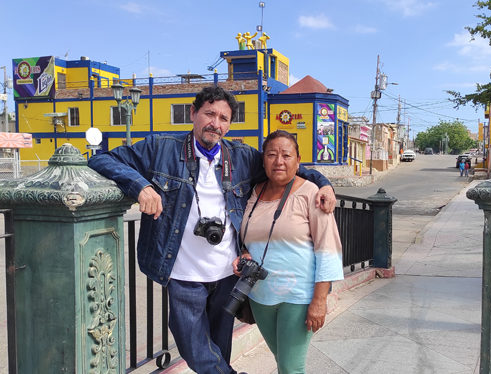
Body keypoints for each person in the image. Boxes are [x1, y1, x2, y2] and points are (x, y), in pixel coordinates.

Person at [87, 87, 336, 374]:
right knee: (194, 348)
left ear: (229, 124)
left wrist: (322, 181)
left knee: (219, 349)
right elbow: (101, 159)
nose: (215, 123)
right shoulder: (161, 148)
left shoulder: (241, 157)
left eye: (223, 118)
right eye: (209, 114)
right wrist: (140, 186)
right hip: (183, 273)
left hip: (228, 274)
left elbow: (284, 165)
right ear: (193, 113)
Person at [233, 130, 344, 374]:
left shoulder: (312, 193)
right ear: (263, 160)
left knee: (291, 368)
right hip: (260, 296)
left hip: (298, 296)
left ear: (298, 160)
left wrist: (319, 300)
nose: (279, 161)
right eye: (272, 155)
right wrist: (243, 253)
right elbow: (246, 235)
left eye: (286, 155)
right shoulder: (255, 191)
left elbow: (328, 250)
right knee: (283, 363)